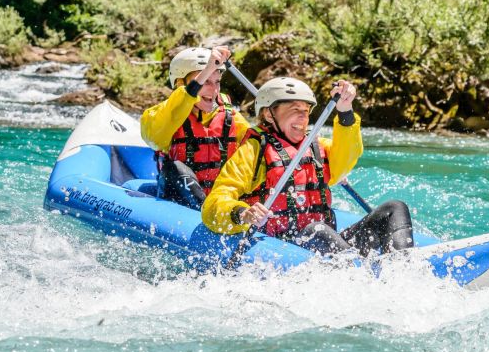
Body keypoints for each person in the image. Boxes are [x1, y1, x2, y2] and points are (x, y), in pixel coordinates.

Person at [202, 76, 414, 256]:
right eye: (295, 110)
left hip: (328, 245)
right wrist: (243, 213)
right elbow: (214, 203)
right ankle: (358, 275)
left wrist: (345, 110)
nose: (303, 118)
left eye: (306, 111)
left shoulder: (316, 147)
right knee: (318, 230)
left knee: (394, 208)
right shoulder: (253, 151)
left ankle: (401, 270)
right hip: (284, 246)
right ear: (268, 114)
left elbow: (348, 155)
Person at [141, 46, 250, 209]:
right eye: (205, 80)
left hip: (219, 204)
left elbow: (257, 150)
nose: (213, 90)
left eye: (217, 82)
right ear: (179, 83)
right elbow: (156, 134)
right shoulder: (160, 116)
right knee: (176, 168)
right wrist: (208, 68)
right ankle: (205, 211)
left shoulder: (231, 116)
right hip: (176, 200)